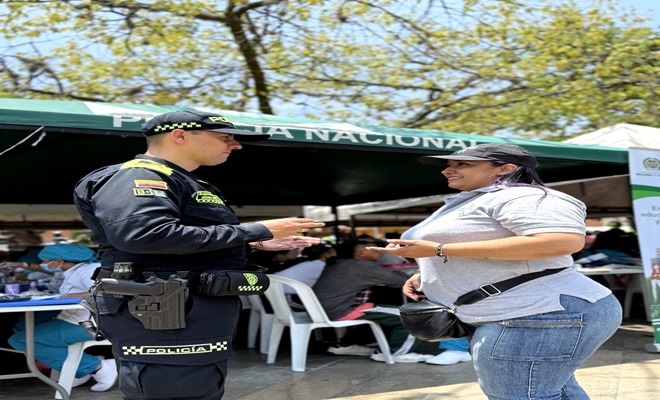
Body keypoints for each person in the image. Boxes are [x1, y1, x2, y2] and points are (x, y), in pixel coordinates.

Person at [72, 110, 324, 400]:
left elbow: (179, 242)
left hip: (187, 310)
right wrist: (254, 230)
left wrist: (249, 244)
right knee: (176, 392)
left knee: (199, 388)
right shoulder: (140, 175)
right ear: (179, 135)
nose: (235, 145)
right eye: (224, 137)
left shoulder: (181, 180)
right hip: (163, 312)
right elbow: (145, 235)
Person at [367, 143, 622, 399]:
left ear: (506, 168)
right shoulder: (476, 198)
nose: (447, 170)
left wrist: (440, 250)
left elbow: (561, 242)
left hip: (537, 312)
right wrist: (429, 274)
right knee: (548, 391)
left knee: (521, 395)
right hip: (516, 312)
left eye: (462, 164)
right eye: (449, 164)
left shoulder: (526, 197)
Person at [7, 244, 118, 392]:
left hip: (95, 324)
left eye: (45, 261)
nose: (42, 264)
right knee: (24, 328)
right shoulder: (74, 271)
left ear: (59, 261)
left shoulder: (88, 271)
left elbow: (106, 291)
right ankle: (78, 369)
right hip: (81, 320)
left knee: (22, 340)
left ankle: (98, 367)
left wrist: (61, 297)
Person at [313, 239, 432, 363]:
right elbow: (401, 281)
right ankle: (396, 353)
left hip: (324, 309)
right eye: (374, 249)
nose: (380, 251)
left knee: (384, 307)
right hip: (340, 310)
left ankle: (345, 344)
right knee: (414, 317)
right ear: (361, 253)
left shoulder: (341, 263)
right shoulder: (360, 266)